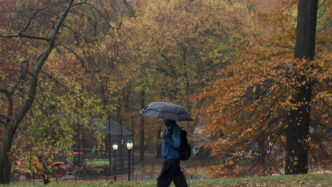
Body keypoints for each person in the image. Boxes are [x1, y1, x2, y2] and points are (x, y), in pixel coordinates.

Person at [157, 119, 188, 187]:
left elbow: (176, 144)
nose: (164, 120)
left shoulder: (175, 129)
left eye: (165, 118)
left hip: (172, 158)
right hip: (170, 158)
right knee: (179, 180)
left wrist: (165, 137)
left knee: (162, 180)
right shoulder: (169, 128)